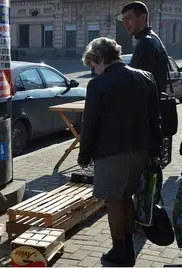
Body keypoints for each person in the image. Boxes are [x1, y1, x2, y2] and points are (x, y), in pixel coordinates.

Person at [78, 37, 162, 267]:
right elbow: (155, 119)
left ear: (101, 59)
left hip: (111, 153)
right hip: (141, 150)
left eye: (93, 66)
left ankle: (120, 250)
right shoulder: (146, 77)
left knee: (114, 201)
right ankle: (127, 250)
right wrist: (155, 151)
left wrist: (83, 156)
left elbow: (90, 124)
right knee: (126, 197)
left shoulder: (98, 84)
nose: (94, 71)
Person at [121, 1, 169, 97]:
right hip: (154, 104)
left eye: (129, 18)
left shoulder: (145, 43)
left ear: (143, 18)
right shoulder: (155, 38)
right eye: (123, 19)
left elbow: (134, 81)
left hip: (145, 107)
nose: (125, 23)